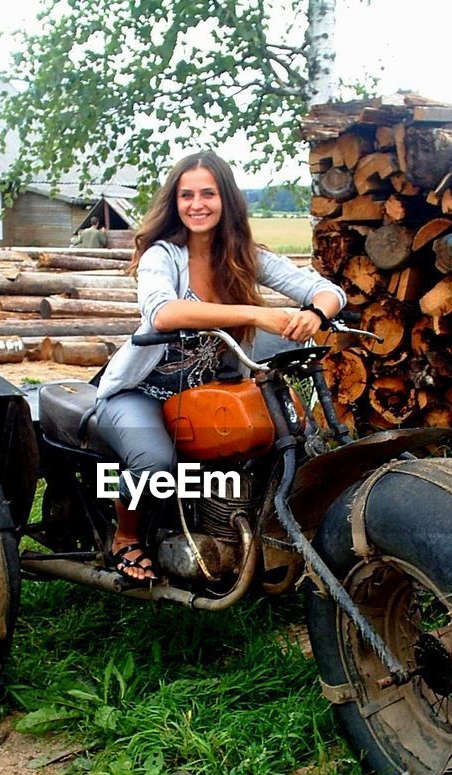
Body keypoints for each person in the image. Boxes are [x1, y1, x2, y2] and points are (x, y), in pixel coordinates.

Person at [94, 150, 346, 581]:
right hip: (140, 392)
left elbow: (326, 290)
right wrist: (252, 313)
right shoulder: (163, 255)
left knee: (296, 438)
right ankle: (126, 537)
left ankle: (264, 535)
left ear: (226, 199)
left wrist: (316, 315)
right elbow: (162, 313)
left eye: (208, 193)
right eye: (186, 195)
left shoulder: (245, 255)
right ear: (175, 203)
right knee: (155, 463)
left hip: (209, 393)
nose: (197, 204)